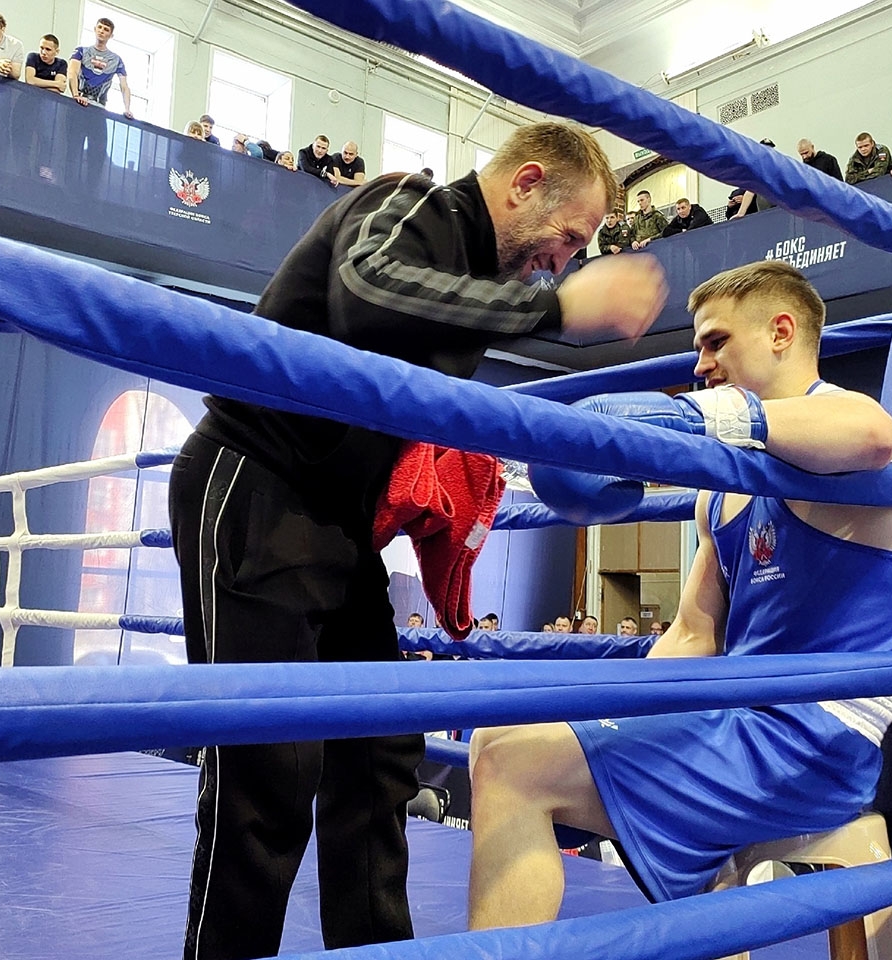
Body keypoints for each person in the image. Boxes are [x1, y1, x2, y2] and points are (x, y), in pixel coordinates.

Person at [166, 122, 666, 960]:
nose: (567, 259)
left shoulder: (477, 282)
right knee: (266, 772)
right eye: (569, 235)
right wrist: (557, 310)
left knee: (379, 754)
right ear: (524, 183)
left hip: (340, 524)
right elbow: (367, 290)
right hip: (255, 482)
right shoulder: (409, 202)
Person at [466, 259, 892, 920]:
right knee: (495, 738)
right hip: (735, 719)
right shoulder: (722, 489)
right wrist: (608, 705)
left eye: (717, 342)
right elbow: (692, 634)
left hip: (818, 741)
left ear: (781, 332)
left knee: (513, 765)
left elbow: (873, 436)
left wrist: (686, 417)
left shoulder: (850, 431)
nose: (701, 364)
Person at [69, 17, 133, 118]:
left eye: (106, 29)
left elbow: (124, 86)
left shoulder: (116, 60)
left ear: (111, 35)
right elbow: (72, 72)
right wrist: (75, 95)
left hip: (100, 107)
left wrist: (127, 109)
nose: (101, 31)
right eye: (99, 27)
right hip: (78, 102)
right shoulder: (81, 51)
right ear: (95, 29)